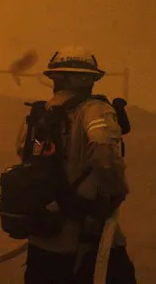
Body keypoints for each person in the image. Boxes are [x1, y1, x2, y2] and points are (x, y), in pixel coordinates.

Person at [16, 46, 137, 284]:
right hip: (87, 235)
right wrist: (115, 192)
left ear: (54, 77)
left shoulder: (38, 113)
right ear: (89, 78)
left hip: (44, 233)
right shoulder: (96, 110)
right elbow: (105, 150)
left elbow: (23, 153)